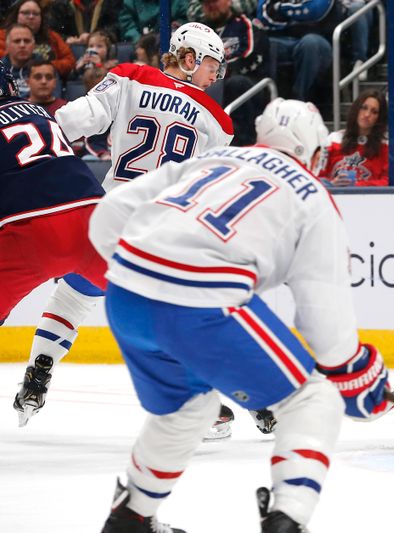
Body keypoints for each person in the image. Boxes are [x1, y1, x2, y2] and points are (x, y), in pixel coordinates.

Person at [89, 98, 389, 533]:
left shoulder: (210, 158)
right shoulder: (312, 195)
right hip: (202, 305)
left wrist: (141, 273)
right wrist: (352, 368)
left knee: (188, 406)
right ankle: (288, 519)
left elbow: (110, 213)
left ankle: (131, 516)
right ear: (317, 153)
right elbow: (324, 316)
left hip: (126, 296)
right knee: (312, 398)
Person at [14, 22, 234, 428]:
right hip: (162, 228)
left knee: (77, 295)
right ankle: (226, 401)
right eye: (210, 65)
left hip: (110, 214)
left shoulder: (133, 76)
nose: (214, 75)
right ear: (188, 58)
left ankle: (38, 372)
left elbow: (74, 120)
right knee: (180, 309)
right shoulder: (218, 120)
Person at [0, 64, 107, 424]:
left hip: (29, 232)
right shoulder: (38, 111)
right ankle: (246, 396)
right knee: (163, 305)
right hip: (95, 221)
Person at [197, 0, 272, 145]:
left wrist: (213, 69)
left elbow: (250, 55)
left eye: (215, 1)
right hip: (211, 84)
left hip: (250, 85)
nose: (210, 5)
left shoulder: (247, 25)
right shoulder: (201, 32)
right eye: (205, 2)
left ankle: (242, 144)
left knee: (236, 83)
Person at [320, 89, 394, 186]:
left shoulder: (390, 148)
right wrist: (332, 185)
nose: (367, 115)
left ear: (380, 117)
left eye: (374, 112)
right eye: (364, 108)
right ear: (356, 109)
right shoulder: (333, 140)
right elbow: (317, 178)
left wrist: (358, 186)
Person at [0, 0, 76, 78]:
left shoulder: (52, 36)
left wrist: (46, 66)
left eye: (35, 14)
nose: (31, 17)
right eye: (26, 13)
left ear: (41, 18)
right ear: (16, 15)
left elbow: (70, 61)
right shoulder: (2, 35)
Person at [1, 24, 36, 98]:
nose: (22, 45)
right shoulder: (1, 70)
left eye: (27, 41)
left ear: (34, 45)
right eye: (17, 41)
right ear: (7, 45)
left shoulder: (46, 68)